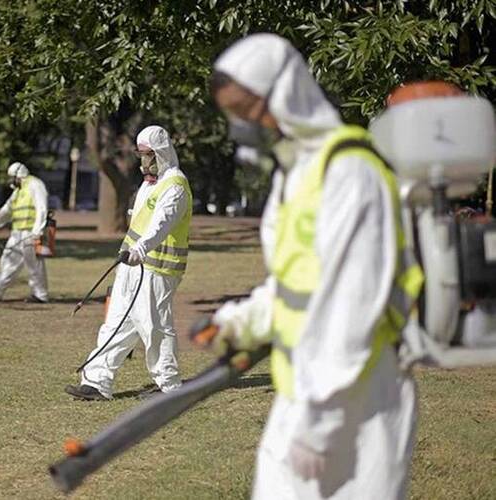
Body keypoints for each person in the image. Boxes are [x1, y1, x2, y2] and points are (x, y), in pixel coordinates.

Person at [209, 34, 423, 499]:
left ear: (285, 93)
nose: (242, 125)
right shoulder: (294, 174)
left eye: (247, 108)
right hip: (303, 391)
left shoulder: (350, 172)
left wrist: (320, 421)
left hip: (358, 400)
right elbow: (293, 283)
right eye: (234, 114)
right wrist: (243, 321)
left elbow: (352, 302)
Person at [65, 125, 192, 401]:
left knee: (155, 326)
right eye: (140, 155)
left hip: (157, 269)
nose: (143, 162)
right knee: (116, 322)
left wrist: (141, 250)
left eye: (148, 155)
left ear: (161, 153)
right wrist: (130, 255)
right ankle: (97, 381)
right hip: (131, 266)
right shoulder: (150, 184)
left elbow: (161, 223)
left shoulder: (176, 185)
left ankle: (169, 387)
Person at [0, 162, 49, 303]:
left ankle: (40, 295)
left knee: (34, 264)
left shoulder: (35, 184)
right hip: (17, 233)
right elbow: (7, 209)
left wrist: (37, 231)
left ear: (18, 175)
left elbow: (42, 208)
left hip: (31, 232)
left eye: (11, 177)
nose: (10, 181)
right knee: (9, 260)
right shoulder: (18, 191)